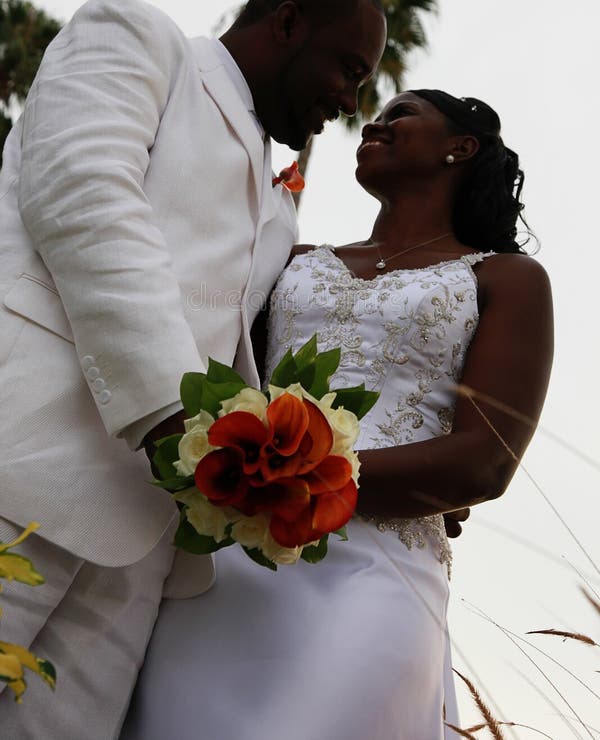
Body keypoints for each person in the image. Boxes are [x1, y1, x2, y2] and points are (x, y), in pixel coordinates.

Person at [0, 0, 387, 738]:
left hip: (144, 551)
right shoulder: (137, 36)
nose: (348, 101)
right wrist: (172, 418)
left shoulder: (283, 217)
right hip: (22, 471)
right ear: (288, 21)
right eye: (348, 67)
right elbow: (83, 194)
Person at [121, 90, 553, 740]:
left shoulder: (505, 278)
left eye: (401, 114)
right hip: (243, 561)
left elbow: (487, 459)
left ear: (459, 148)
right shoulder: (291, 262)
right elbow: (229, 380)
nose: (375, 123)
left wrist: (301, 479)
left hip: (382, 568)